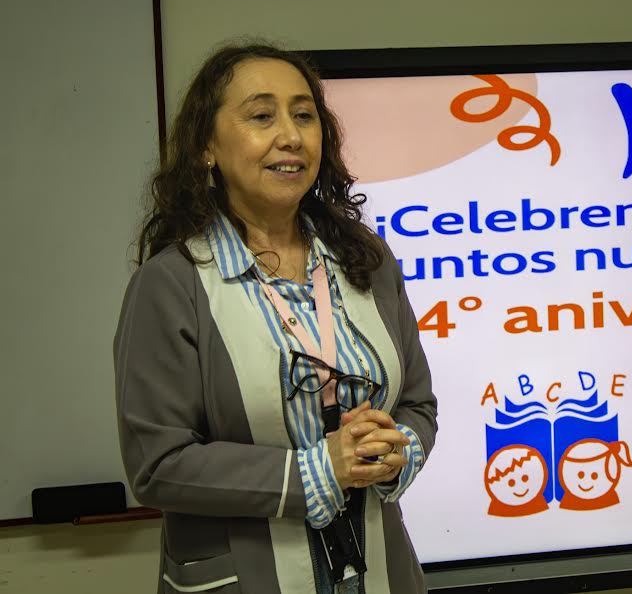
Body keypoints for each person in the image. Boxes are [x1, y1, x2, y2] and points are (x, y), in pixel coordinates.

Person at [114, 42, 437, 594]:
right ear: (206, 146)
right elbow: (158, 463)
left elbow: (418, 404)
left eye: (304, 116)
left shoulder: (368, 262)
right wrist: (318, 470)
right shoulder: (171, 285)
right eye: (262, 116)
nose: (291, 136)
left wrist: (394, 447)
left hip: (381, 574)